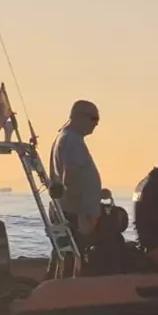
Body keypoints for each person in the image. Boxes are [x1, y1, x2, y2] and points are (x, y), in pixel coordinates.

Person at [49, 100, 103, 242]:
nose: (96, 124)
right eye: (93, 118)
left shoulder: (64, 138)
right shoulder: (71, 140)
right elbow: (71, 178)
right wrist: (81, 216)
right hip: (74, 216)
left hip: (67, 212)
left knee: (67, 256)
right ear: (78, 116)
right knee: (76, 257)